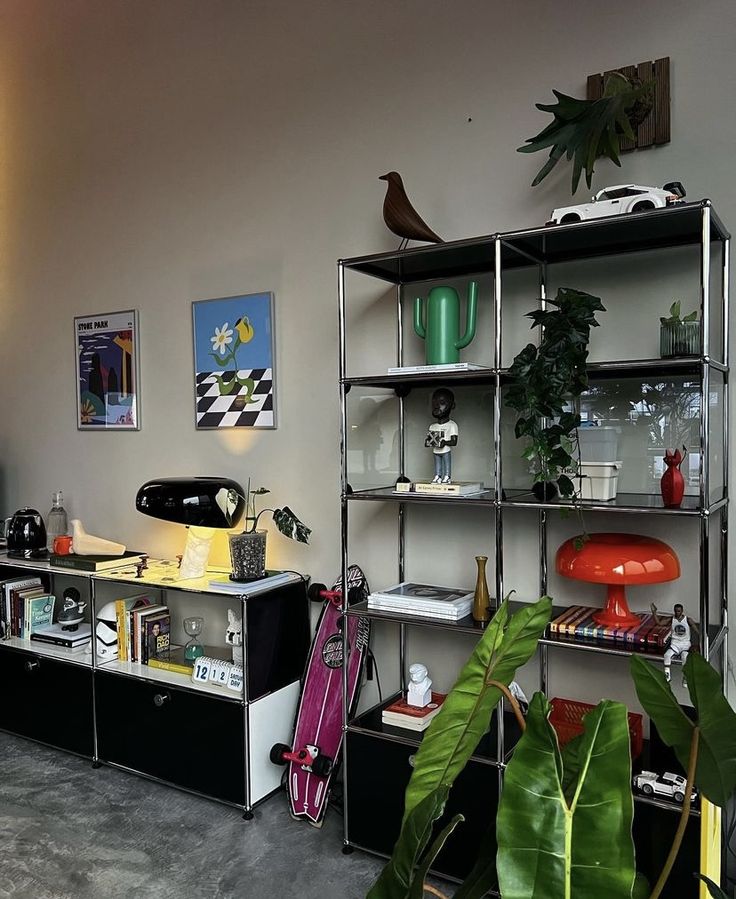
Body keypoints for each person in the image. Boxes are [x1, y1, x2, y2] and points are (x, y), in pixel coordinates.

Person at [652, 602, 699, 686]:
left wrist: (702, 638)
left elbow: (697, 631)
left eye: (679, 611)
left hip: (685, 644)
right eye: (676, 611)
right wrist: (654, 612)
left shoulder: (688, 619)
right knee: (667, 655)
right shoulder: (671, 619)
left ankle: (685, 677)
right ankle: (667, 676)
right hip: (675, 644)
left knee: (685, 657)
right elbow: (659, 623)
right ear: (674, 611)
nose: (677, 612)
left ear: (682, 611)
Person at [424, 388, 458, 484]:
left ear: (452, 406)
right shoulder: (432, 426)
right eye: (434, 402)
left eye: (442, 402)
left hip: (445, 450)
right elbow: (430, 439)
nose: (436, 405)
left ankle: (447, 476)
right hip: (436, 450)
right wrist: (428, 442)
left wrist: (445, 442)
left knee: (446, 464)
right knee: (437, 464)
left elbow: (454, 441)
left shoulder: (452, 425)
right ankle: (437, 476)